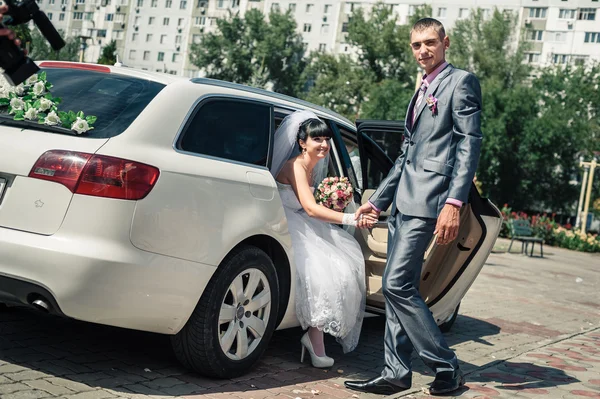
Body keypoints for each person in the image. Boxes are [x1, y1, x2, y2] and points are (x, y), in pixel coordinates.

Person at [345, 17, 482, 396]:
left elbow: (469, 144)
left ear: (445, 42)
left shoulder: (461, 82)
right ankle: (395, 372)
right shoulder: (421, 86)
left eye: (430, 43)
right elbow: (405, 154)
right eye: (416, 45)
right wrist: (377, 202)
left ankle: (446, 366)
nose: (423, 51)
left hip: (431, 200)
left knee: (396, 284)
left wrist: (454, 202)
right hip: (403, 202)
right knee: (397, 287)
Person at [270, 110, 375, 368]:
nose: (325, 145)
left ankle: (315, 339)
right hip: (286, 222)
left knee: (344, 267)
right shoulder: (295, 165)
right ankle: (315, 342)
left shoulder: (314, 166)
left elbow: (314, 205)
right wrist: (350, 219)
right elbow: (309, 208)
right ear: (302, 142)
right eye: (317, 140)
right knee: (324, 271)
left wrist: (334, 200)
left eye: (327, 139)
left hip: (304, 221)